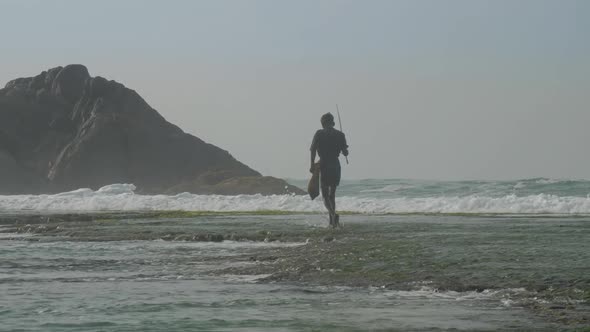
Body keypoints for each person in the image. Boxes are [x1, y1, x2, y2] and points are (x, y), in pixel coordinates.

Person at [310, 112, 349, 227]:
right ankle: (332, 222)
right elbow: (345, 152)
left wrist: (312, 164)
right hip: (336, 165)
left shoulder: (319, 133)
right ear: (333, 123)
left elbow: (312, 150)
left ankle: (333, 214)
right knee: (332, 194)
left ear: (322, 123)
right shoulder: (340, 135)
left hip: (324, 164)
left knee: (325, 195)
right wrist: (345, 151)